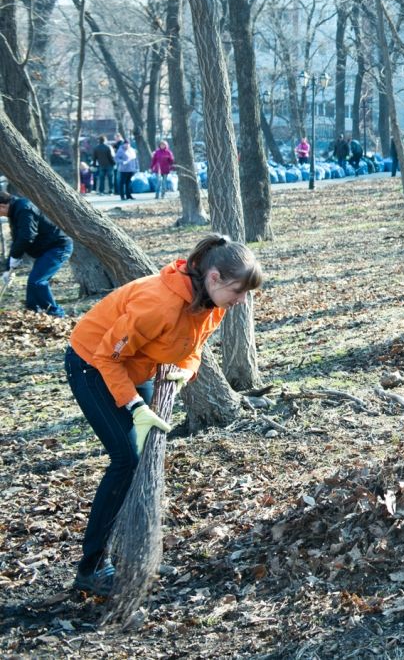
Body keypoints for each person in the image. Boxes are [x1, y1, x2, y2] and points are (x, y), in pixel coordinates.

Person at [65, 234, 262, 595]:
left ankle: (132, 554)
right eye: (239, 291)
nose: (242, 300)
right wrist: (136, 406)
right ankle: (91, 568)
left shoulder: (213, 303)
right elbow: (108, 356)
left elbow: (193, 348)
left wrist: (186, 371)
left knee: (144, 461)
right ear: (214, 277)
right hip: (92, 364)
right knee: (127, 458)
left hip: (135, 367)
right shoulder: (159, 303)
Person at [0, 191, 73, 317]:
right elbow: (16, 239)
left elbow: (27, 236)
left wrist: (16, 257)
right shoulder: (14, 211)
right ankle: (32, 311)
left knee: (37, 281)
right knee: (33, 282)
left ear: (1, 206)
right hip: (46, 250)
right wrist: (8, 267)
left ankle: (56, 314)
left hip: (58, 248)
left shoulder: (24, 208)